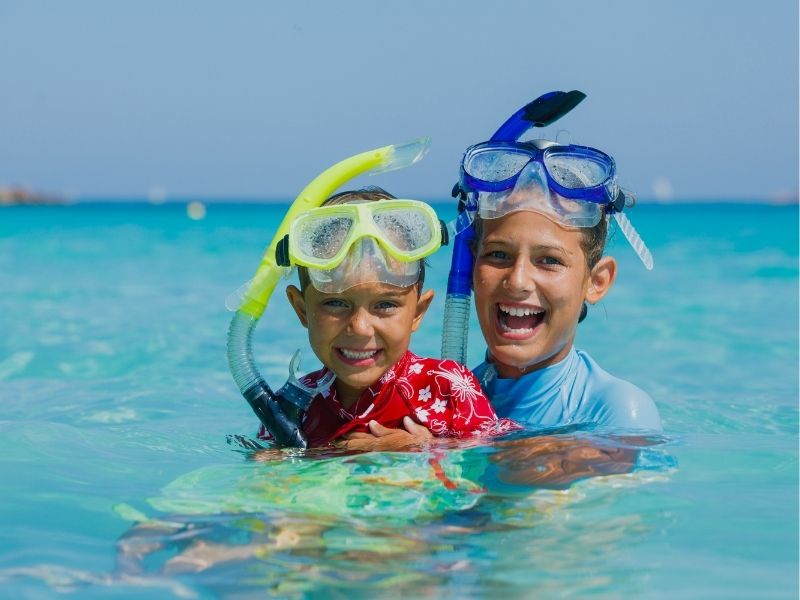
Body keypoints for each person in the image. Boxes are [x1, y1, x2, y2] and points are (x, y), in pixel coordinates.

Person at [258, 186, 514, 448]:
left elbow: (504, 454)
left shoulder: (446, 387)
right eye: (335, 303)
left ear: (417, 312)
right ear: (302, 310)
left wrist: (428, 448)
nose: (360, 328)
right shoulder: (292, 408)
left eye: (385, 305)